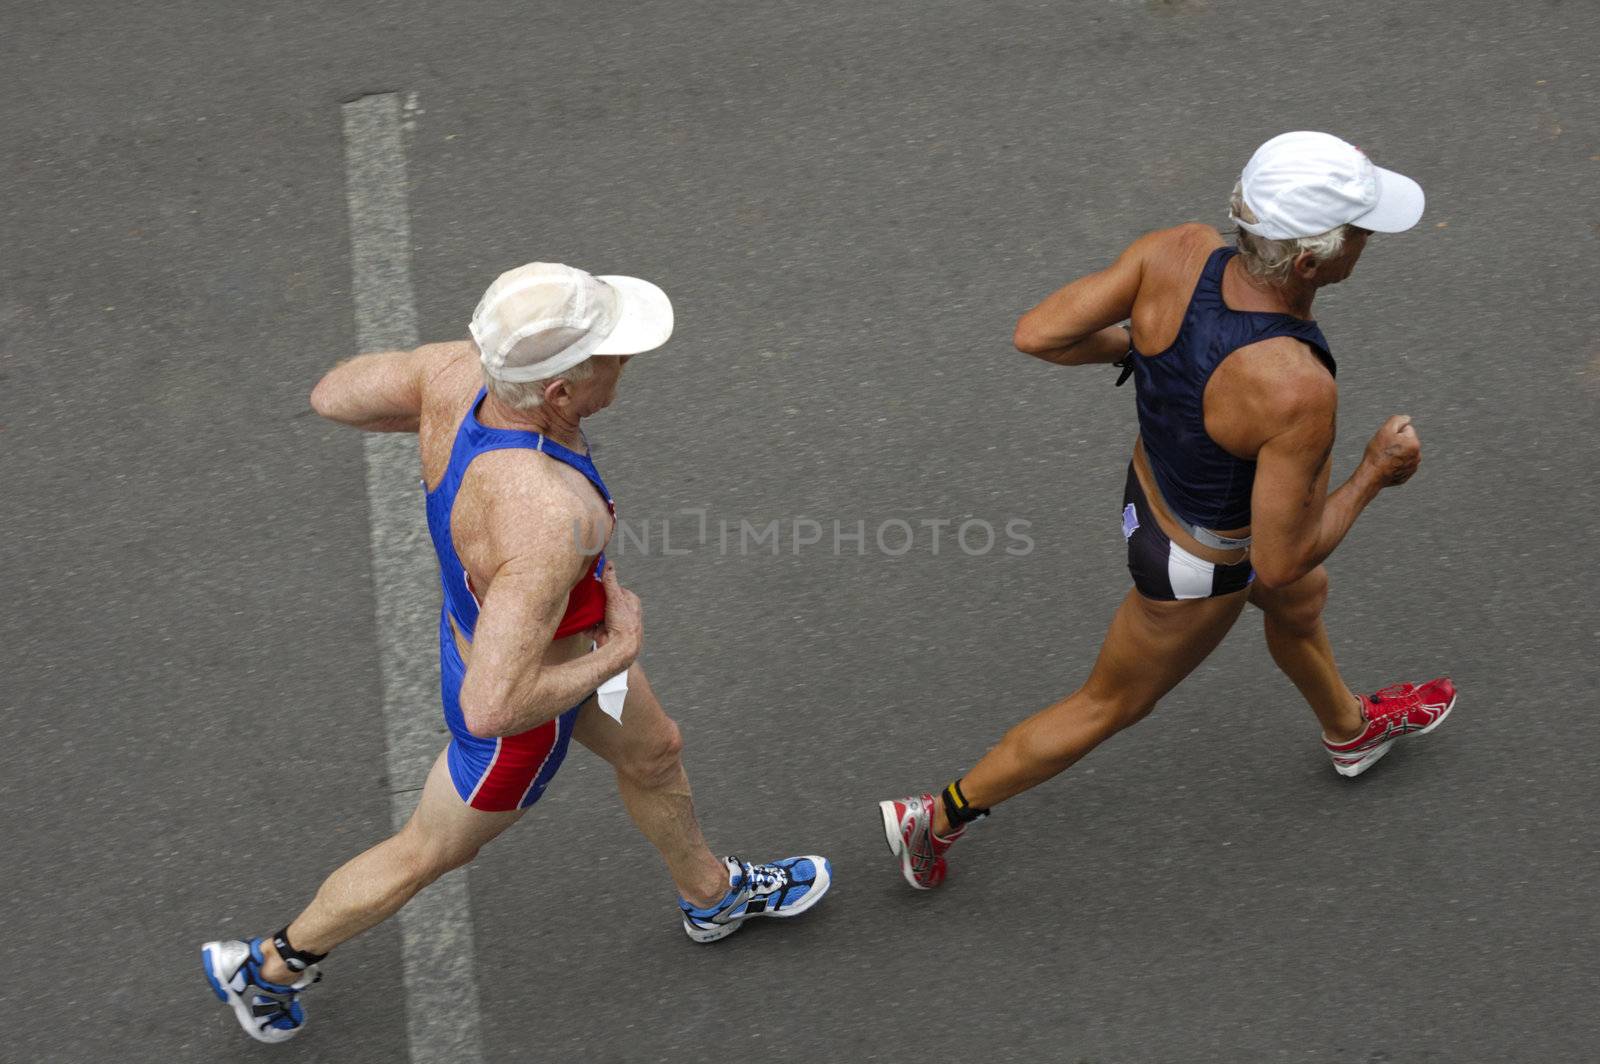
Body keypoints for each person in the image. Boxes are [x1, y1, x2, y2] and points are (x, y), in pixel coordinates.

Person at [202, 263, 831, 1043]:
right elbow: (494, 708)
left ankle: (711, 897)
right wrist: (620, 647)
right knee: (426, 852)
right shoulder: (541, 516)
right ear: (559, 393)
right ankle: (269, 967)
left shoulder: (456, 371)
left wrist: (435, 423)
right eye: (612, 355)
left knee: (657, 752)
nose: (626, 364)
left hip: (510, 629)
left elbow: (333, 396)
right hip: (524, 707)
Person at [879, 131, 1456, 890]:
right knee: (1107, 703)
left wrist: (1144, 350)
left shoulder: (1177, 250)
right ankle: (940, 815)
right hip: (1195, 564)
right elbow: (1281, 552)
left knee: (1298, 600)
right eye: (1362, 230)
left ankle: (1349, 731)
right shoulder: (1294, 387)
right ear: (1311, 261)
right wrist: (1377, 473)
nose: (1371, 240)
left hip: (1153, 491)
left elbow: (1039, 335)